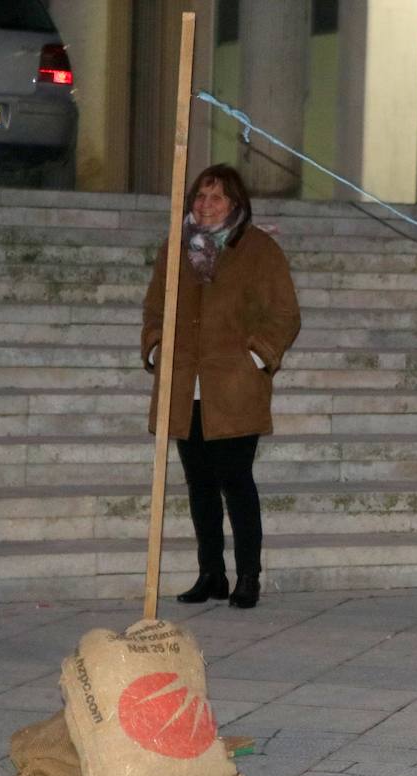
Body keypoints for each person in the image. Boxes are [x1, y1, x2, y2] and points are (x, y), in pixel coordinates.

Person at [141, 164, 301, 609]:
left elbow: (285, 314)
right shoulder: (175, 249)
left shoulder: (258, 249)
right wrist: (155, 348)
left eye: (215, 198)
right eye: (199, 197)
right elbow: (155, 308)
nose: (204, 205)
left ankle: (248, 575)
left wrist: (254, 357)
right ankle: (211, 572)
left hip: (233, 387)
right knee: (199, 485)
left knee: (236, 482)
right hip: (184, 385)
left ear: (235, 204)